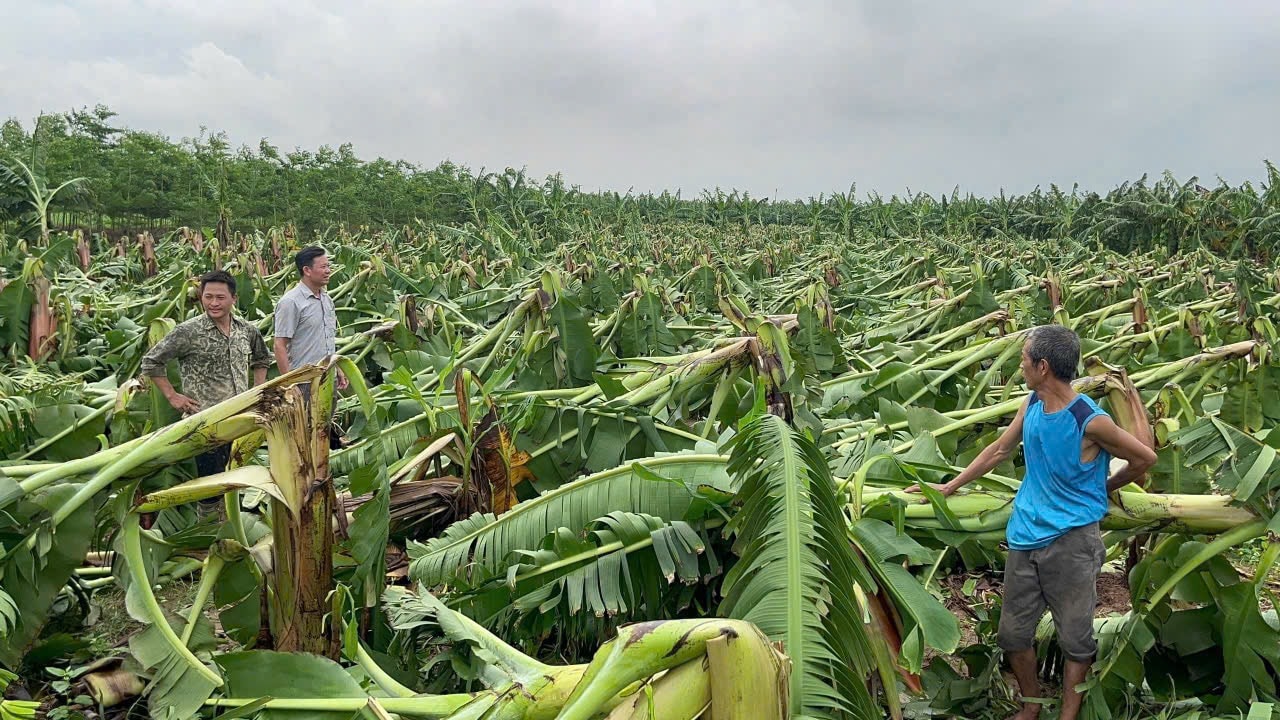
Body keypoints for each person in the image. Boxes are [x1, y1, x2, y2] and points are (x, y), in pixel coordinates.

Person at [907, 325, 1156, 720]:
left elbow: (1145, 458)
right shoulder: (1032, 404)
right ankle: (1031, 704)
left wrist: (1104, 487)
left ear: (1042, 366)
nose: (1019, 364)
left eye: (1024, 358)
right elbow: (999, 450)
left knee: (1075, 637)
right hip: (1025, 537)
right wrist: (948, 486)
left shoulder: (1089, 419)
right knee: (1013, 634)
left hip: (1072, 543)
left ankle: (1067, 714)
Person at [140, 270, 272, 501]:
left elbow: (262, 358)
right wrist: (172, 396)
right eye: (208, 296)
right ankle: (211, 530)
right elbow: (151, 362)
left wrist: (257, 389)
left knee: (235, 483)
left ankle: (231, 526)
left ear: (233, 299)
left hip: (241, 421)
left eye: (220, 297)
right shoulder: (188, 331)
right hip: (205, 424)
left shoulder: (246, 330)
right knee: (210, 490)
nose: (213, 303)